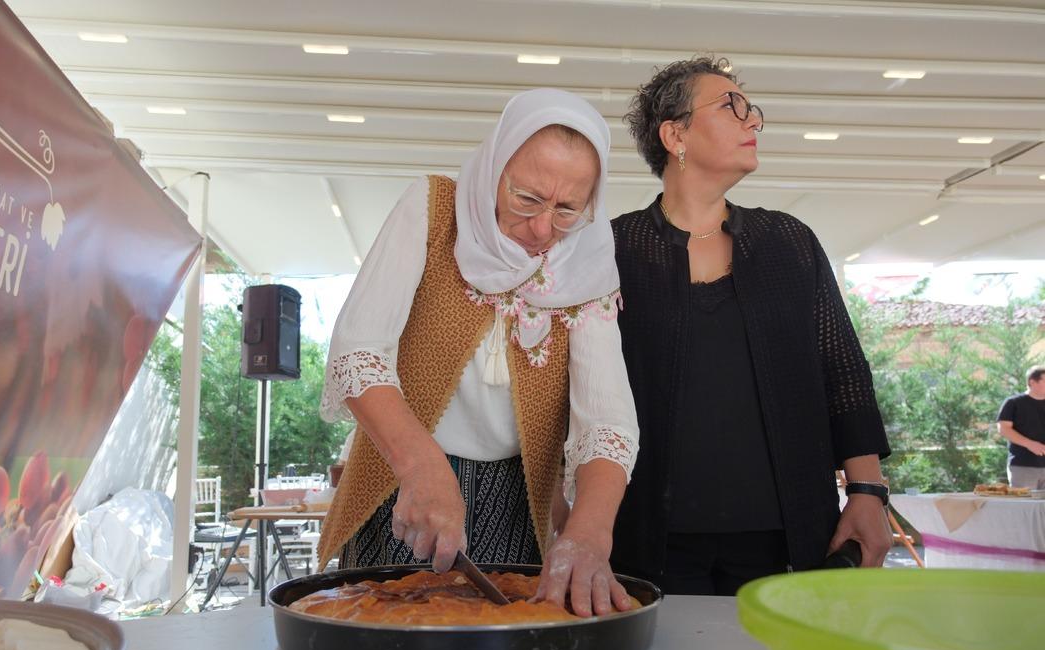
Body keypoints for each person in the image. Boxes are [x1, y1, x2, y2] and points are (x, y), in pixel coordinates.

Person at [317, 89, 639, 616]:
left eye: (567, 209)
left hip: (517, 500)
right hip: (402, 477)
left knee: (503, 643)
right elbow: (358, 351)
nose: (542, 229)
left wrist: (588, 532)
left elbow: (607, 421)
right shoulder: (434, 209)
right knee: (385, 626)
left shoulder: (587, 264)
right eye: (527, 199)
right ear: (495, 170)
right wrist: (420, 464)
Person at [610, 57, 891, 596]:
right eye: (730, 107)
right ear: (675, 135)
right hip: (647, 535)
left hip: (788, 534)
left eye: (751, 109)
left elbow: (843, 374)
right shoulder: (616, 249)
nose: (754, 120)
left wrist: (868, 492)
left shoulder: (787, 241)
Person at [996, 366, 1045, 490]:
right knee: (1024, 501)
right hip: (1023, 466)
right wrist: (1030, 444)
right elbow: (1003, 429)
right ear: (1032, 382)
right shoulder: (1013, 403)